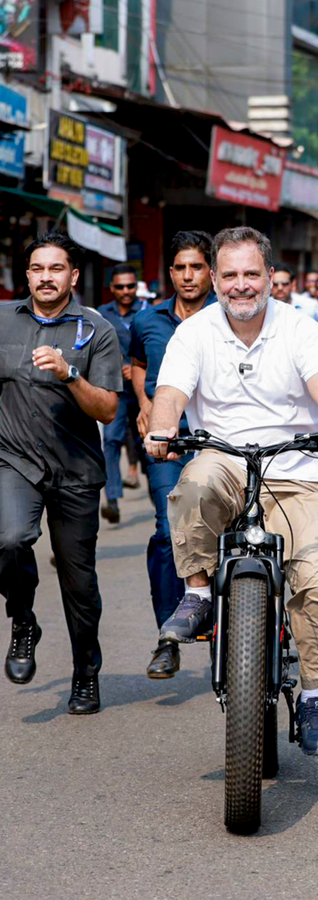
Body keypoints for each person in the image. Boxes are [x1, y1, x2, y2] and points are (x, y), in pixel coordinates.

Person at [145, 226, 318, 756]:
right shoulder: (193, 333)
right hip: (224, 461)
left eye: (251, 274)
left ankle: (314, 695)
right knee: (193, 481)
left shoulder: (300, 328)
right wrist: (163, 428)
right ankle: (198, 594)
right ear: (214, 278)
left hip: (297, 471)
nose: (240, 285)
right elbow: (170, 393)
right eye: (230, 275)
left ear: (269, 276)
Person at [0, 232, 122, 714]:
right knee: (10, 540)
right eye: (37, 268)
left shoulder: (98, 330)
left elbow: (107, 409)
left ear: (73, 276)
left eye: (56, 269)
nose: (45, 277)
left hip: (75, 471)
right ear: (27, 274)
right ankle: (23, 621)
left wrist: (70, 375)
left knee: (79, 583)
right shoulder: (3, 319)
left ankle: (85, 673)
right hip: (14, 460)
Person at [130, 231, 217, 679]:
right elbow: (139, 365)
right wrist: (145, 405)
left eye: (196, 267)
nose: (188, 275)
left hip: (221, 444)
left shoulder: (228, 317)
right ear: (170, 273)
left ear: (211, 272)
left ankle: (233, 629)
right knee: (168, 532)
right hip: (168, 445)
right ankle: (168, 638)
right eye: (180, 267)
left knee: (227, 535)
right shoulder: (147, 320)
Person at [98, 264, 147, 523]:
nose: (126, 291)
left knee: (146, 442)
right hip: (114, 390)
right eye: (120, 286)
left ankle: (159, 497)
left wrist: (140, 368)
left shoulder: (149, 311)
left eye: (130, 286)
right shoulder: (103, 314)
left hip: (143, 392)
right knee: (111, 441)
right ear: (112, 288)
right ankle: (113, 500)